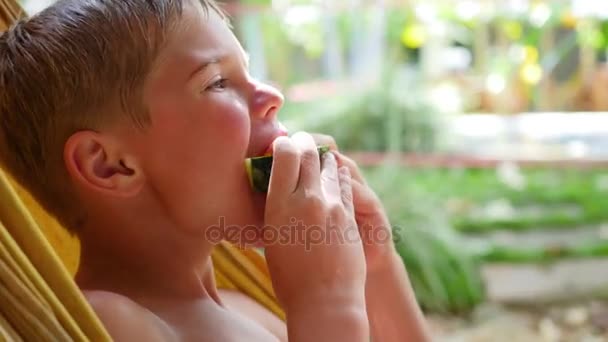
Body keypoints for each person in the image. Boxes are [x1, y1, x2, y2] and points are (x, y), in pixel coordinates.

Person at [0, 0, 431, 340]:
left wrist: (377, 269)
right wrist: (327, 306)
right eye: (217, 82)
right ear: (110, 165)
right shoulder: (110, 322)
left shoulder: (244, 305)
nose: (272, 95)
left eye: (247, 70)